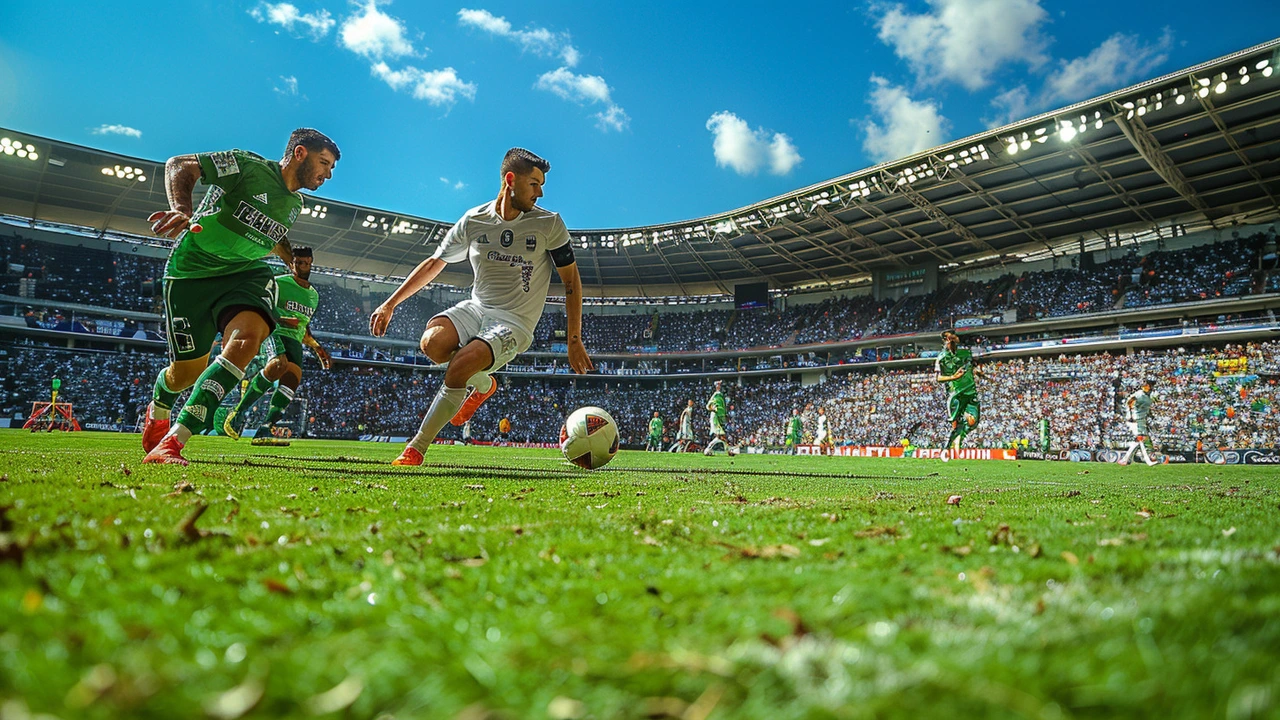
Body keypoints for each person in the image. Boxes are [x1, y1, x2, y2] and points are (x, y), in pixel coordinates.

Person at [368, 148, 593, 465]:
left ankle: (416, 448)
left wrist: (574, 338)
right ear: (510, 180)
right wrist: (390, 303)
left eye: (542, 185)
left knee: (461, 364)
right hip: (476, 309)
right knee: (432, 344)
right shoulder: (474, 220)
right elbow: (435, 263)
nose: (540, 192)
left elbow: (571, 280)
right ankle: (483, 384)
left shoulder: (549, 224)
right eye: (534, 184)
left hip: (514, 322)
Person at [143, 129, 339, 465]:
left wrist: (289, 257)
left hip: (244, 273)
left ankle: (175, 441)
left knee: (250, 337)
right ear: (300, 153)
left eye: (332, 168)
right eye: (325, 163)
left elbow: (274, 235)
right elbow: (181, 164)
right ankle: (160, 400)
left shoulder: (294, 204)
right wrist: (182, 209)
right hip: (192, 271)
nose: (328, 174)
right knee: (184, 376)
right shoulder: (247, 165)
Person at [222, 247, 332, 444]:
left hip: (295, 340)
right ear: (291, 264)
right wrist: (281, 318)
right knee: (277, 365)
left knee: (292, 380)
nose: (302, 267)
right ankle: (238, 412)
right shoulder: (279, 283)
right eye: (298, 263)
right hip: (275, 331)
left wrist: (317, 347)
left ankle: (265, 429)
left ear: (311, 262)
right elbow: (259, 304)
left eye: (305, 263)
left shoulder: (314, 296)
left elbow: (304, 326)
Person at [934, 329, 981, 462]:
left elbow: (971, 365)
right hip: (956, 394)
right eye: (949, 338)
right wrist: (953, 377)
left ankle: (957, 438)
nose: (953, 340)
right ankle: (946, 449)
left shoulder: (965, 353)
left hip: (971, 391)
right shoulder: (941, 358)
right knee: (956, 424)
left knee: (973, 422)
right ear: (945, 341)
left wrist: (977, 372)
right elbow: (937, 378)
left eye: (954, 337)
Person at [1118, 379, 1163, 466]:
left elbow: (1147, 408)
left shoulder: (1150, 396)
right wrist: (1130, 415)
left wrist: (1151, 415)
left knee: (1140, 440)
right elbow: (1129, 402)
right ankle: (1149, 461)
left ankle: (1125, 459)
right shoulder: (1139, 394)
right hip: (1135, 419)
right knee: (1141, 439)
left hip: (1142, 419)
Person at [704, 379, 736, 456]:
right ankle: (708, 450)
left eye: (720, 385)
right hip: (716, 417)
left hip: (720, 417)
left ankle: (728, 450)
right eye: (718, 385)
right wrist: (713, 409)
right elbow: (708, 406)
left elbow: (724, 408)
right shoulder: (715, 395)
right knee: (720, 435)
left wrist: (725, 416)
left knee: (721, 436)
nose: (720, 386)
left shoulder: (721, 396)